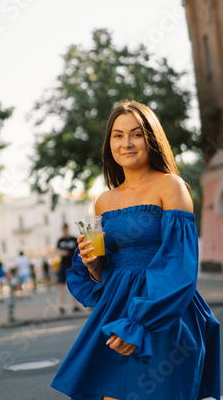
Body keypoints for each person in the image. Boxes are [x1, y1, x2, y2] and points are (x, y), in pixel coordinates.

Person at [51, 100, 220, 400]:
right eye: (117, 135)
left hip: (163, 312)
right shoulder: (104, 201)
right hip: (116, 314)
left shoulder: (171, 186)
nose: (126, 143)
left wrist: (139, 323)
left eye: (136, 134)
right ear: (109, 143)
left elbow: (178, 263)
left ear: (151, 139)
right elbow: (104, 276)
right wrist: (94, 267)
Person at [56, 223, 81, 314]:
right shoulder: (60, 240)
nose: (65, 231)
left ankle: (75, 305)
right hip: (63, 265)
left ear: (67, 229)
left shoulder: (74, 239)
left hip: (72, 265)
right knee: (61, 285)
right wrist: (62, 252)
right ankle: (61, 305)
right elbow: (57, 250)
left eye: (66, 229)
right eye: (63, 230)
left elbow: (79, 249)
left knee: (73, 285)